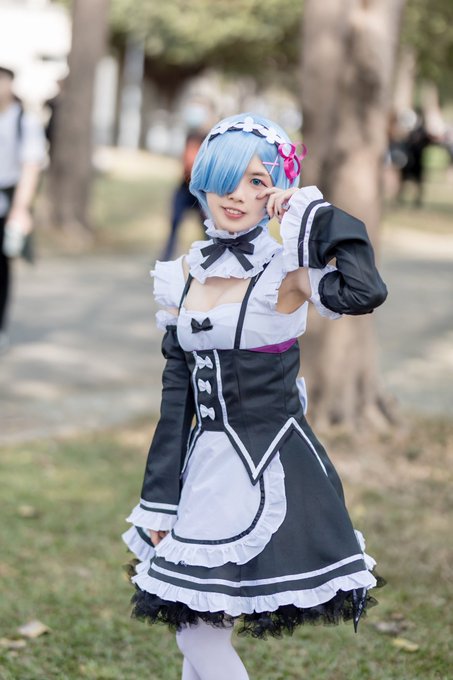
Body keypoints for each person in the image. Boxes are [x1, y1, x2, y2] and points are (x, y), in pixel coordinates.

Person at [122, 113, 387, 679]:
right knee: (196, 624)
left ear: (278, 190)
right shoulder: (182, 275)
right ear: (202, 181)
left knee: (197, 630)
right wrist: (160, 498)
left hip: (264, 466)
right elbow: (176, 398)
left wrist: (313, 214)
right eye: (226, 179)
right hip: (201, 471)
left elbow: (365, 289)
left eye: (258, 182)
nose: (237, 195)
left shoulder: (285, 273)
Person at [0, 65, 47, 353]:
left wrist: (21, 209)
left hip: (7, 200)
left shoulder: (24, 121)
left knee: (2, 265)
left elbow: (31, 166)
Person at [160, 130, 206, 261]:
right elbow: (187, 167)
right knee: (175, 222)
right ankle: (166, 257)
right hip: (184, 189)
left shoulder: (204, 154)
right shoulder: (187, 150)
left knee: (208, 227)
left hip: (201, 192)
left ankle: (210, 256)